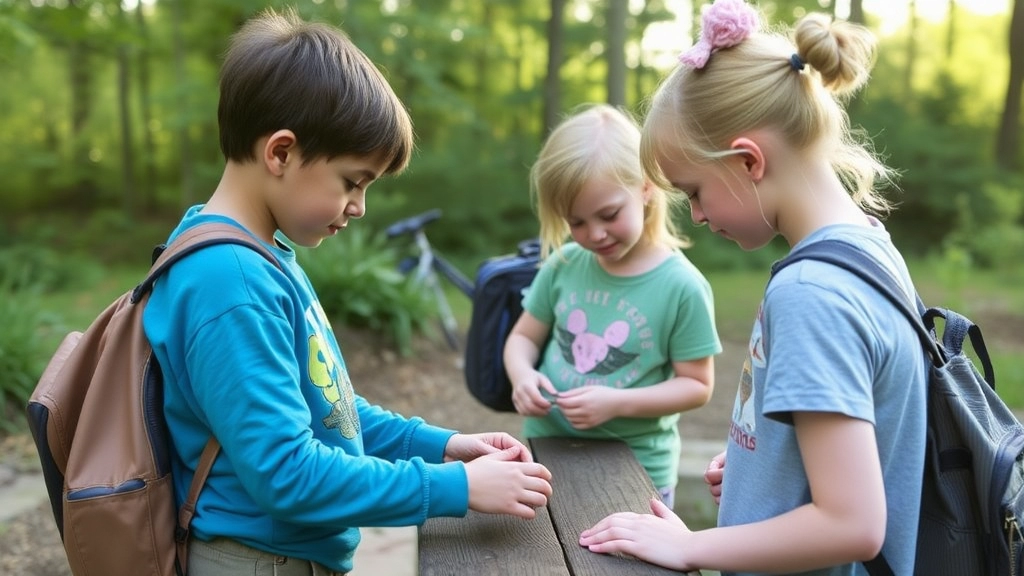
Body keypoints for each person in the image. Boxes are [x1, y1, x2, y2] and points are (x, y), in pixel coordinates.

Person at [143, 8, 553, 576]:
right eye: (352, 182)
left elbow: (329, 410)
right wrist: (455, 487)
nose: (360, 207)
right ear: (281, 153)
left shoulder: (262, 255)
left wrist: (442, 446)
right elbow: (287, 473)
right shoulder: (229, 281)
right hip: (259, 560)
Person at [577, 0, 927, 574]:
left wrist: (692, 547)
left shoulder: (812, 294)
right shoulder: (868, 248)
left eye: (692, 191)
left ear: (747, 161)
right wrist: (765, 464)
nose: (696, 214)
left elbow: (853, 524)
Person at [502, 103, 722, 509]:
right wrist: (521, 377)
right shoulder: (563, 265)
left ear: (646, 187)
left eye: (608, 214)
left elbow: (696, 385)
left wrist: (617, 403)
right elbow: (523, 337)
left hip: (636, 471)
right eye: (578, 222)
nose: (595, 234)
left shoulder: (681, 286)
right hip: (547, 454)